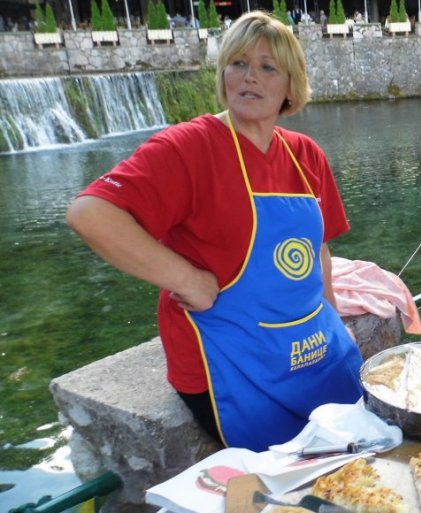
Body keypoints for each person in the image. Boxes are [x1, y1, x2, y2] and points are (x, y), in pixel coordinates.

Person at [66, 11, 364, 452]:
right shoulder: (189, 147)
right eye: (238, 63)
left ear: (291, 85)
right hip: (228, 363)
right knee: (287, 474)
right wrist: (188, 280)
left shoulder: (305, 155)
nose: (250, 77)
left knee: (362, 453)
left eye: (268, 67)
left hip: (312, 346)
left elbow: (316, 250)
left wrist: (333, 319)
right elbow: (90, 213)